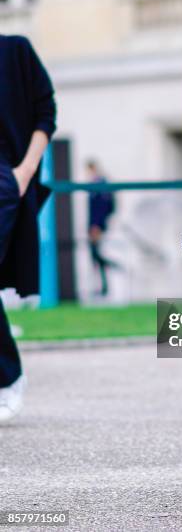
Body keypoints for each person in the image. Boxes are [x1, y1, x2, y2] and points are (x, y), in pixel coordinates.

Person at [0, 34, 57, 423]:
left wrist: (23, 174)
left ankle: (8, 378)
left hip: (5, 180)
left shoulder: (14, 50)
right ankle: (8, 375)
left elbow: (44, 113)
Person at [86, 160, 119, 297]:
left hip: (97, 226)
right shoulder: (96, 185)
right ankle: (103, 287)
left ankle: (115, 268)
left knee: (98, 254)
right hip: (94, 225)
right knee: (95, 255)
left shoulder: (101, 185)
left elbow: (105, 207)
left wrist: (97, 225)